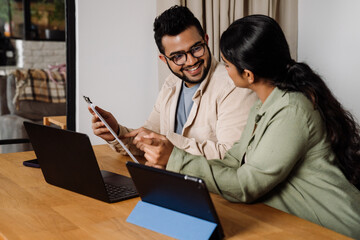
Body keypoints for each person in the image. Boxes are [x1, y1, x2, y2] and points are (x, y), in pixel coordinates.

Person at [136, 15, 360, 238]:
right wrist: (173, 163)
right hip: (293, 222)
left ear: (248, 75)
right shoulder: (262, 106)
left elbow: (246, 185)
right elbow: (232, 161)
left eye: (227, 64)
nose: (224, 70)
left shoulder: (291, 111)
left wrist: (175, 158)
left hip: (334, 228)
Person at [89, 6, 257, 161]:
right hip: (172, 182)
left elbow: (231, 156)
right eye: (178, 56)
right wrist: (115, 132)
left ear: (206, 40)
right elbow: (149, 141)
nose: (191, 61)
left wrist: (168, 146)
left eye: (197, 48)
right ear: (164, 59)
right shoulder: (171, 83)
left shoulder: (235, 84)